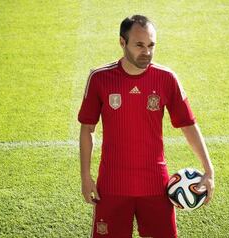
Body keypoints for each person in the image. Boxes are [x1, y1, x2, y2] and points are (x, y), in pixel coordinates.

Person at [78, 14, 215, 238]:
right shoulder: (100, 78)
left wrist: (209, 169)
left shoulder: (166, 78)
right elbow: (87, 129)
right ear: (122, 42)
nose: (147, 52)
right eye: (139, 45)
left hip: (155, 186)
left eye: (151, 45)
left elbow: (188, 126)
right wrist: (85, 176)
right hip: (112, 186)